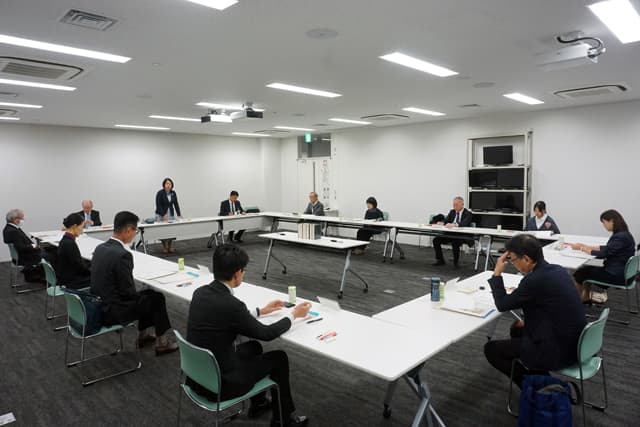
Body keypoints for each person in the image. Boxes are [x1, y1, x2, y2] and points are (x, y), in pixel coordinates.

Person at [187, 244, 311, 427]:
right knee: (279, 358)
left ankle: (259, 404)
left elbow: (228, 319)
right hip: (220, 385)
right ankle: (283, 421)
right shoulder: (232, 305)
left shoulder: (200, 293)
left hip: (197, 377)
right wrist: (293, 315)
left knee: (253, 347)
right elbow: (266, 333)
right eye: (244, 270)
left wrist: (262, 310)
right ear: (237, 273)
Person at [483, 234, 586, 388]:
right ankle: (539, 376)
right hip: (577, 342)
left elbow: (502, 305)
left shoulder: (533, 281)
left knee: (491, 349)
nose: (512, 263)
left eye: (512, 260)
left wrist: (497, 273)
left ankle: (534, 385)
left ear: (526, 259)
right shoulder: (558, 270)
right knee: (517, 328)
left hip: (560, 350)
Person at [91, 211, 178, 355]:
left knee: (148, 296)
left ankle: (143, 336)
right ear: (128, 230)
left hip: (99, 305)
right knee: (156, 298)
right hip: (113, 311)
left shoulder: (100, 248)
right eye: (135, 231)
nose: (135, 235)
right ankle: (162, 344)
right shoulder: (123, 255)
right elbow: (128, 292)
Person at [571, 209, 636, 302]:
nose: (604, 225)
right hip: (622, 272)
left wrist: (582, 248)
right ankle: (585, 297)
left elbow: (603, 254)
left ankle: (576, 302)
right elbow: (608, 248)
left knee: (580, 273)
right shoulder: (624, 234)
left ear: (611, 221)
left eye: (604, 222)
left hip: (616, 275)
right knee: (586, 269)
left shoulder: (620, 237)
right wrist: (586, 246)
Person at [3, 209, 44, 282]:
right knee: (49, 254)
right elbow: (21, 247)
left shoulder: (9, 228)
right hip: (24, 257)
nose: (23, 220)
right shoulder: (13, 231)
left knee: (46, 251)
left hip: (19, 256)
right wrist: (33, 246)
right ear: (15, 219)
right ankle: (37, 274)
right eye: (22, 218)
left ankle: (32, 272)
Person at [432, 196, 473, 268]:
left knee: (455, 242)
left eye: (456, 205)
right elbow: (446, 221)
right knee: (436, 240)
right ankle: (440, 260)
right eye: (454, 205)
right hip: (450, 233)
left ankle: (456, 263)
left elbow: (465, 223)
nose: (454, 207)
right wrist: (442, 223)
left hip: (461, 235)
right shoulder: (452, 212)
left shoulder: (468, 213)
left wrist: (455, 224)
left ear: (462, 205)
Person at [57, 213, 91, 289]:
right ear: (74, 226)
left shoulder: (65, 240)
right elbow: (80, 267)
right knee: (101, 277)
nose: (82, 230)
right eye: (81, 227)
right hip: (72, 282)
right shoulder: (70, 243)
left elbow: (77, 263)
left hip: (66, 278)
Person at [155, 177, 182, 253]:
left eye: (170, 184)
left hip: (171, 214)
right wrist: (163, 214)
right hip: (161, 214)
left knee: (171, 230)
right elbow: (158, 205)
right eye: (167, 183)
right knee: (163, 231)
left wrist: (179, 214)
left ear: (172, 185)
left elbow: (176, 204)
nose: (168, 185)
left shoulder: (173, 193)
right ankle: (165, 247)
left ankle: (170, 247)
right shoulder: (160, 193)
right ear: (164, 185)